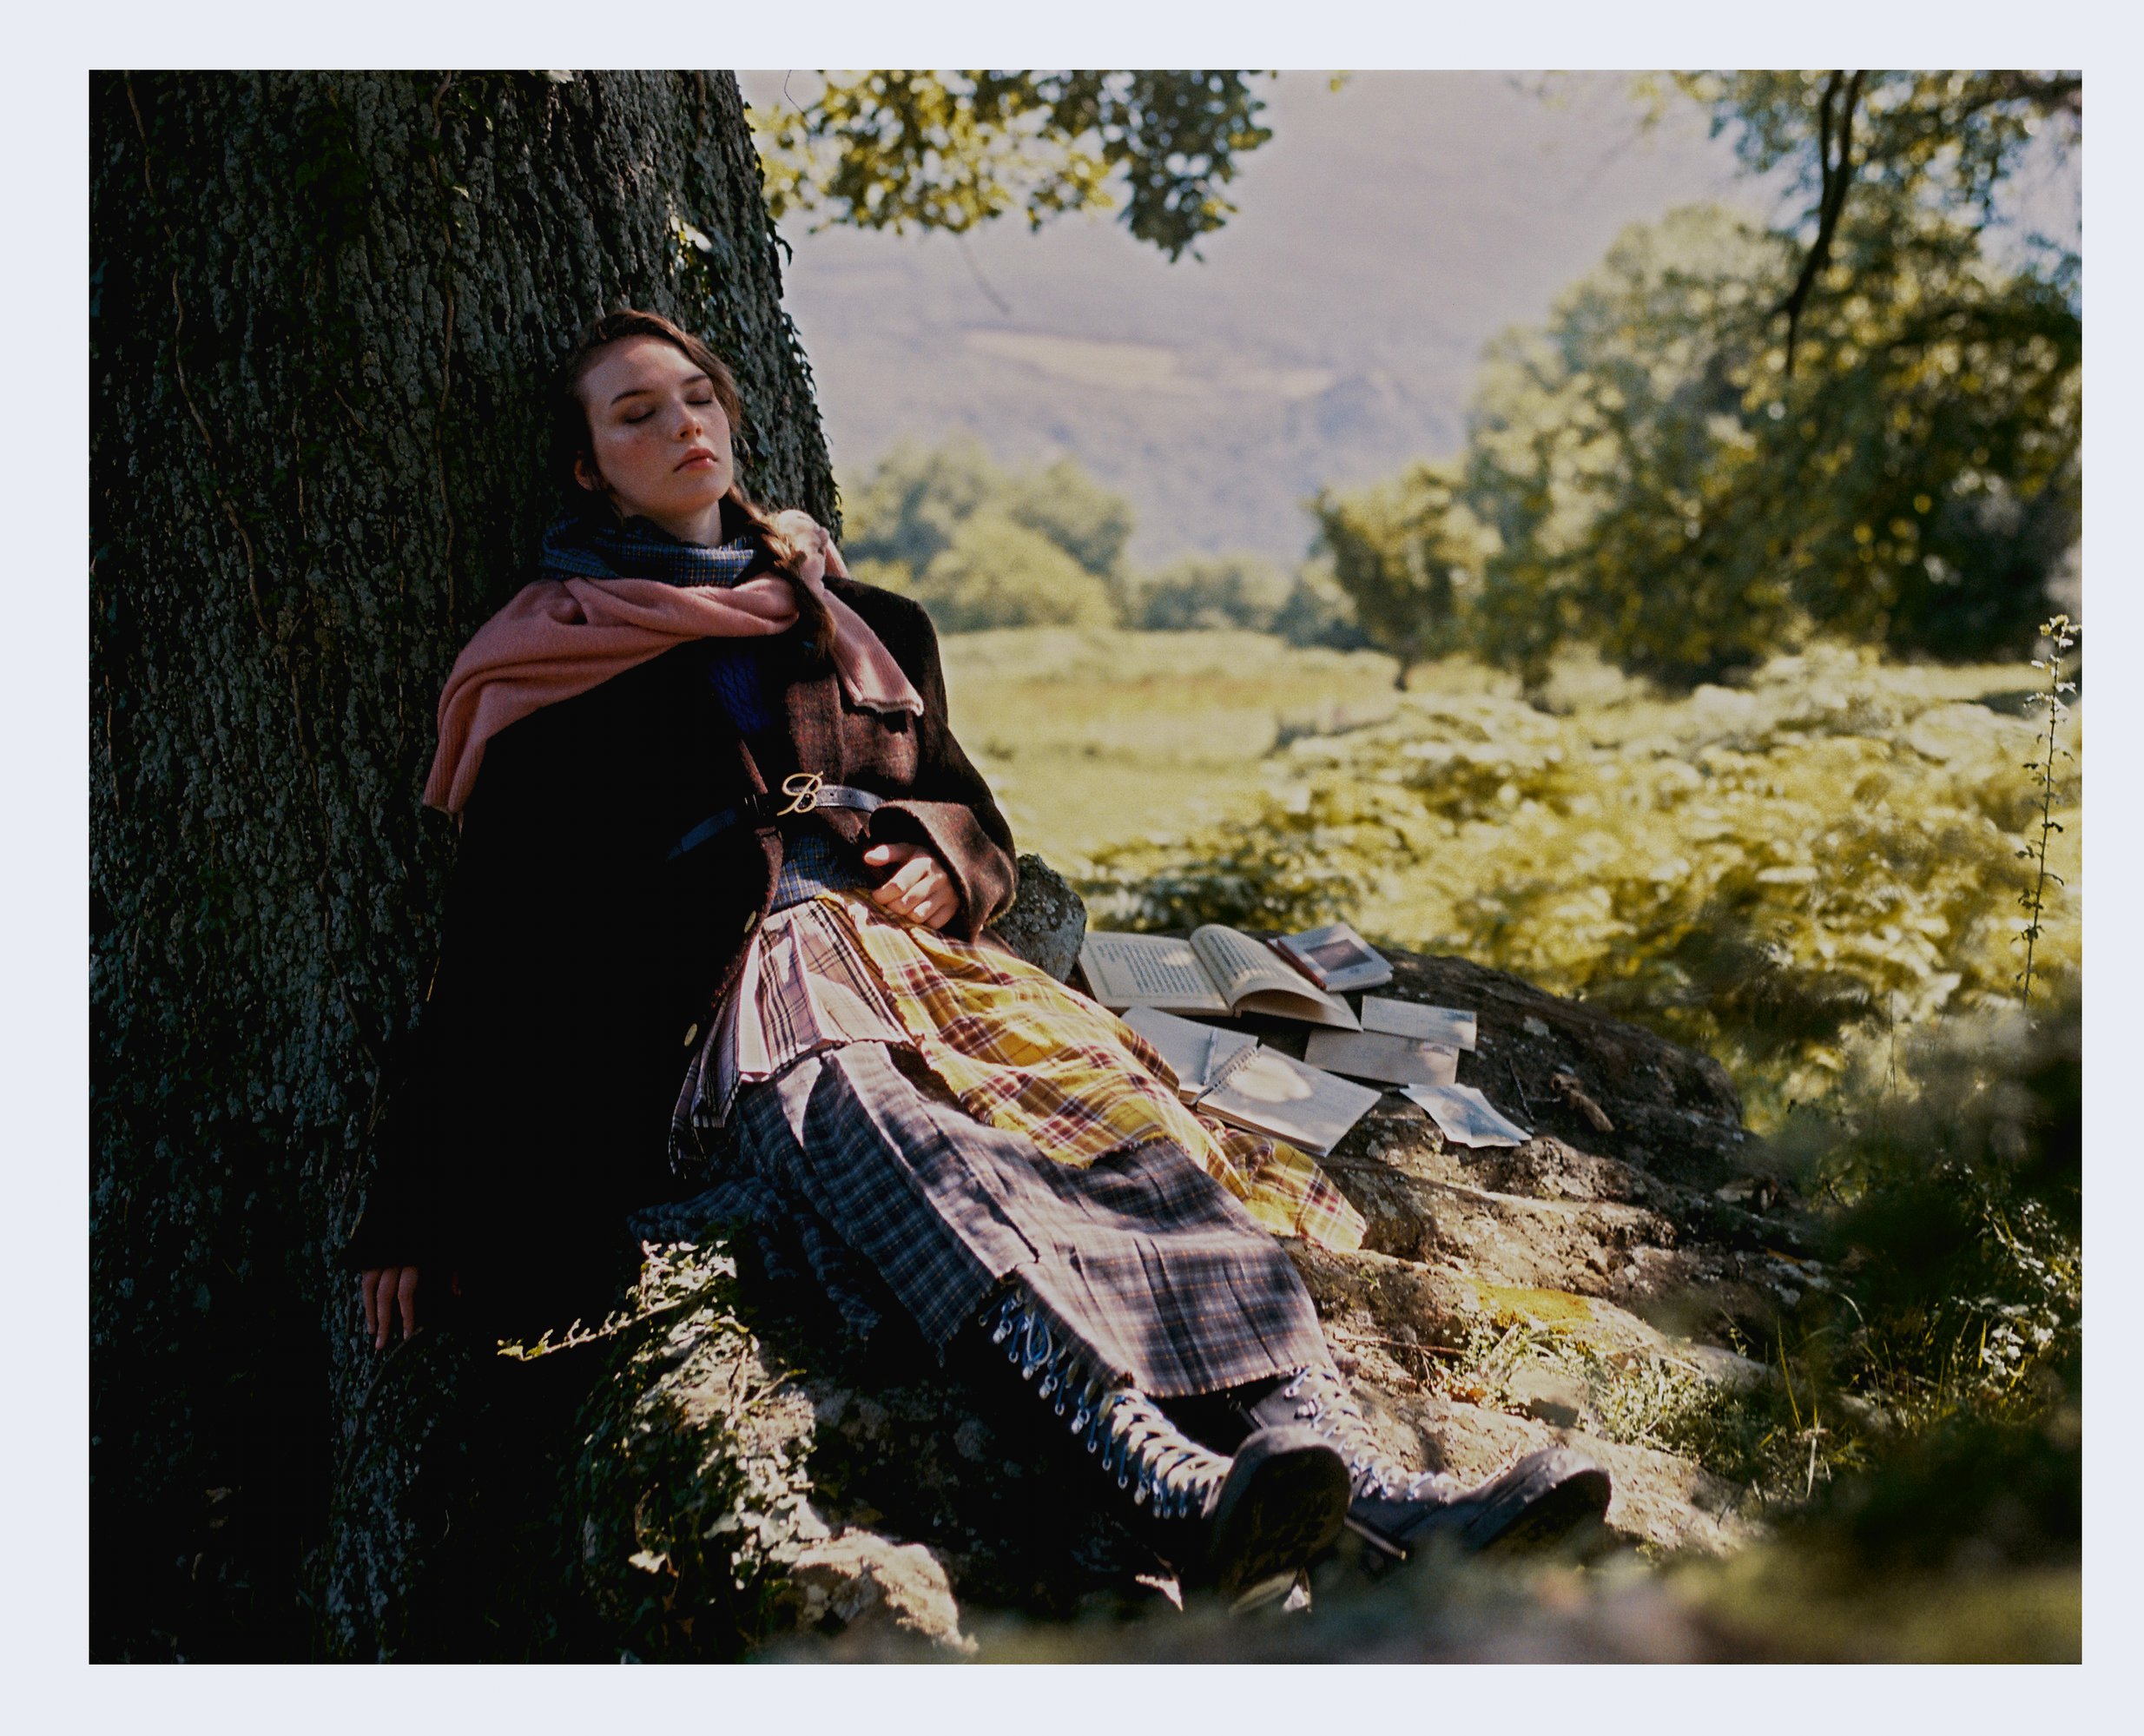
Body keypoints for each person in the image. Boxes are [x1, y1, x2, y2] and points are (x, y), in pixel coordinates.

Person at [348, 308, 1610, 1606]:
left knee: (1132, 1135)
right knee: (900, 1133)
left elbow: (972, 813)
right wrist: (415, 1199)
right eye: (636, 415)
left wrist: (949, 858)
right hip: (743, 1001)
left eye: (697, 399)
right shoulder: (551, 668)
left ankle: (1372, 1491)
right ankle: (1163, 1482)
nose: (682, 427)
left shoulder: (864, 621)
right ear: (585, 467)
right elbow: (494, 956)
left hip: (939, 976)